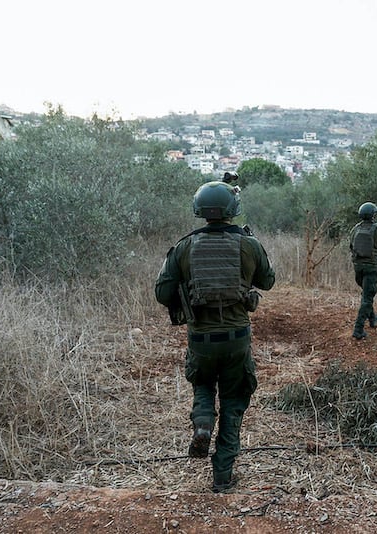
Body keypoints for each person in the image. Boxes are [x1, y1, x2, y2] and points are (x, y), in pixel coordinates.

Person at [155, 180, 275, 493]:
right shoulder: (248, 244)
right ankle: (222, 477)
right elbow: (268, 281)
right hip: (237, 339)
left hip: (201, 340)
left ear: (200, 210)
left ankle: (203, 423)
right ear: (232, 210)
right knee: (234, 402)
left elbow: (162, 293)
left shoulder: (184, 247)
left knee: (204, 385)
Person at [349, 201, 377, 339]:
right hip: (370, 267)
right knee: (367, 297)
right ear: (373, 215)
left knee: (367, 294)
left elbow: (351, 246)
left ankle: (372, 318)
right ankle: (358, 329)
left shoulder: (355, 229)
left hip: (357, 267)